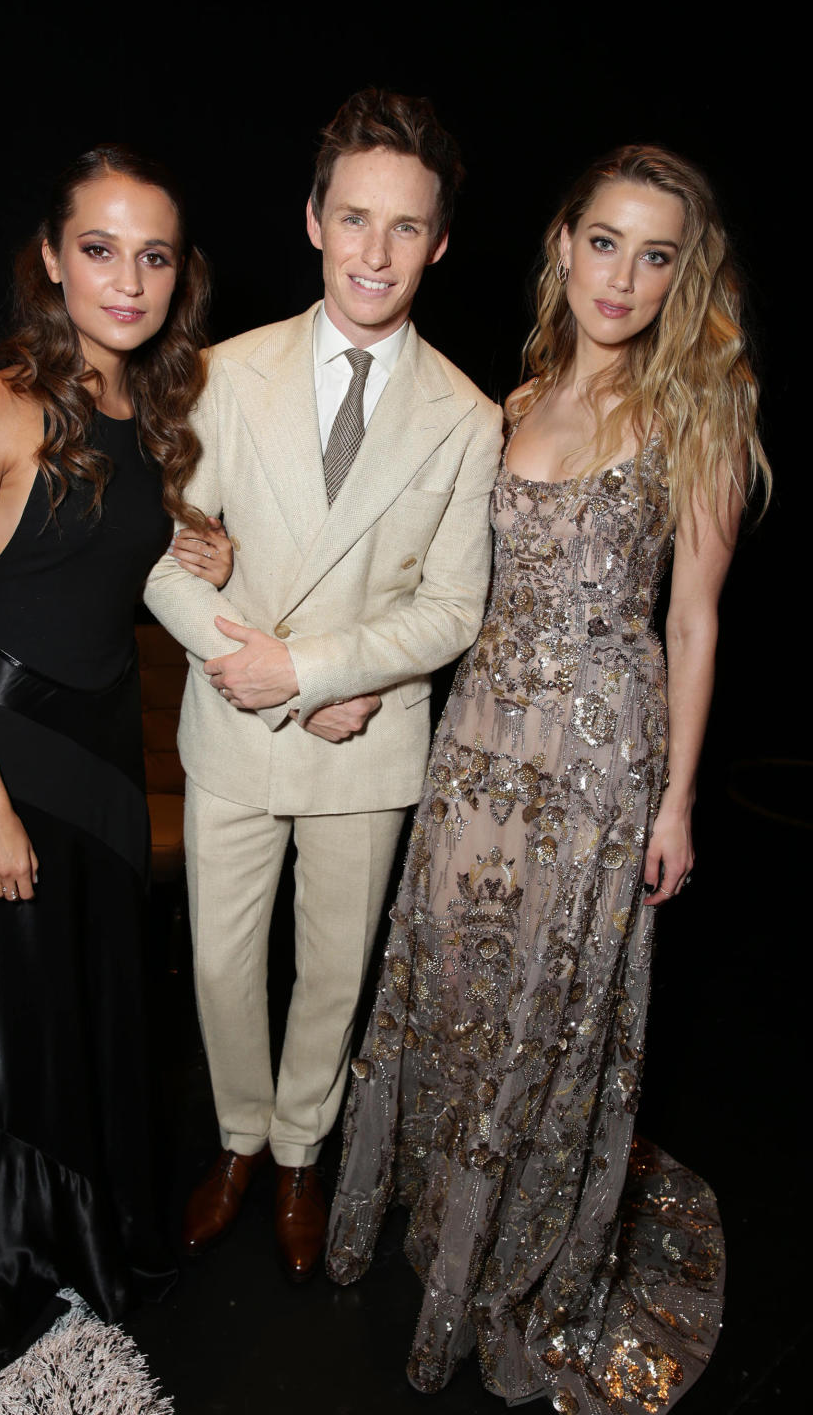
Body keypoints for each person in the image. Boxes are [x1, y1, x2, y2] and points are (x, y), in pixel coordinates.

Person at [327, 145, 770, 1406]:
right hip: (475, 752)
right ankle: (435, 1216)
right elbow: (461, 600)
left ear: (684, 276)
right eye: (604, 241)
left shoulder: (699, 414)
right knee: (453, 982)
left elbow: (692, 624)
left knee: (543, 1008)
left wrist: (677, 800)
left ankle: (510, 1255)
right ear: (561, 246)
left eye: (657, 252)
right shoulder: (512, 407)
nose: (622, 276)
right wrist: (370, 682)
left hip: (597, 767)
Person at [144, 88, 503, 1282]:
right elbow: (167, 566)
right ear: (312, 220)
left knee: (335, 969)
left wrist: (309, 670)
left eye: (404, 228)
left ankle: (303, 1151)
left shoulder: (466, 417)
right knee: (219, 963)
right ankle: (239, 1139)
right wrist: (284, 682)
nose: (375, 252)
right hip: (241, 729)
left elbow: (452, 610)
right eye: (354, 219)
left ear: (439, 242)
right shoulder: (224, 373)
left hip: (369, 740)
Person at [0, 145, 232, 1379]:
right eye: (100, 248)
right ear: (51, 257)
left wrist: (204, 538)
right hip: (11, 740)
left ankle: (90, 1231)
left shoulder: (142, 412)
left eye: (153, 255)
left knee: (100, 994)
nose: (129, 278)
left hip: (104, 740)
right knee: (14, 1015)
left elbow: (112, 553)